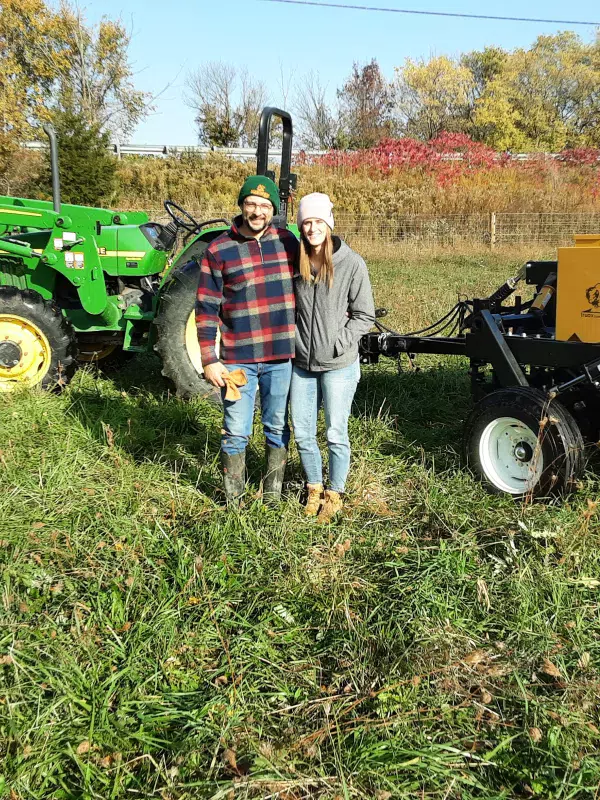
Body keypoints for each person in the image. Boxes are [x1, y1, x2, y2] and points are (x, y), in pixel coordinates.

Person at [196, 175, 298, 505]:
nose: (257, 211)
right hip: (238, 358)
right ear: (241, 206)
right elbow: (206, 307)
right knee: (236, 429)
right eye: (251, 204)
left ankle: (272, 498)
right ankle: (233, 502)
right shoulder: (219, 250)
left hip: (280, 356)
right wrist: (209, 358)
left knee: (277, 425)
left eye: (265, 206)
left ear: (274, 210)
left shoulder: (287, 241)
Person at [291, 193, 375, 523]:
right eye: (306, 223)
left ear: (329, 224)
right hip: (301, 363)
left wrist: (339, 343)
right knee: (303, 432)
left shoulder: (351, 263)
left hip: (339, 364)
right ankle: (314, 488)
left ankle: (335, 493)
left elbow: (364, 313)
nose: (312, 228)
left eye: (317, 222)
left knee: (336, 433)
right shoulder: (294, 261)